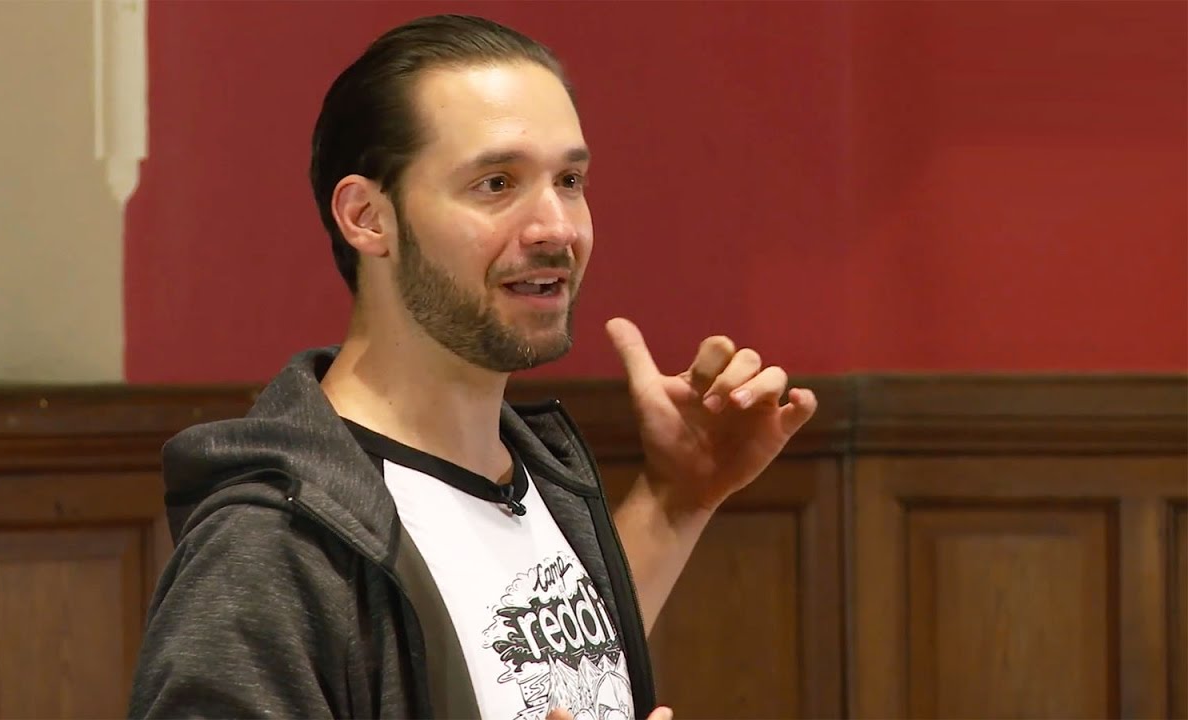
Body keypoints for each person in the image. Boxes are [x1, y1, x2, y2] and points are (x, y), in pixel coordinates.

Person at [127, 13, 816, 720]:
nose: (557, 228)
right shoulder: (271, 546)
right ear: (367, 216)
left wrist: (678, 500)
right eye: (495, 183)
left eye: (570, 179)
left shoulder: (534, 478)